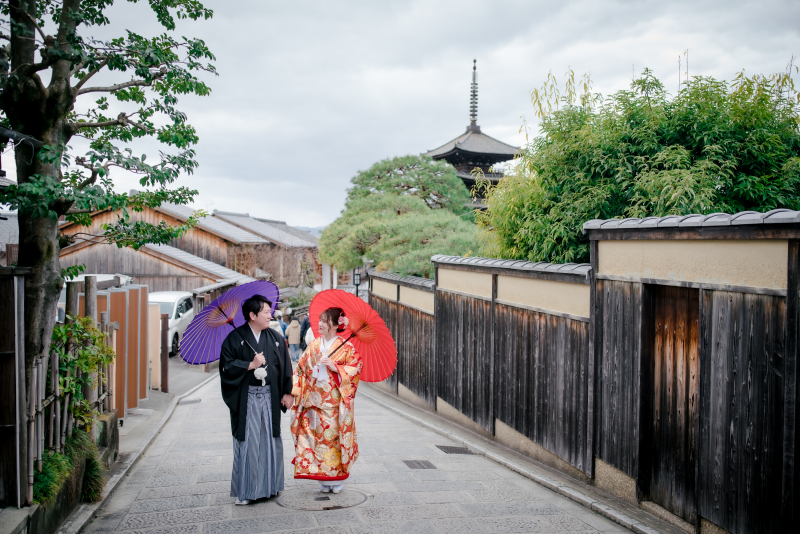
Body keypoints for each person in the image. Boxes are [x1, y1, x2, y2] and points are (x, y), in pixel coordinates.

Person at [219, 295, 293, 505]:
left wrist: (287, 392)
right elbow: (227, 367)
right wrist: (250, 365)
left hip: (270, 397)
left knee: (270, 440)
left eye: (270, 312)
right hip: (247, 398)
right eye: (266, 312)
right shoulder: (234, 338)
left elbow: (286, 366)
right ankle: (247, 491)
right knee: (249, 443)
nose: (270, 315)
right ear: (252, 315)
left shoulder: (276, 338)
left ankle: (270, 487)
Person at [290, 307, 363, 493]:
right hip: (312, 404)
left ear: (336, 324)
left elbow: (355, 369)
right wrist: (295, 390)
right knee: (316, 442)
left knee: (332, 442)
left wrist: (336, 368)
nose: (320, 324)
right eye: (320, 320)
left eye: (324, 320)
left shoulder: (347, 347)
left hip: (333, 405)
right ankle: (322, 477)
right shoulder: (314, 345)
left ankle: (337, 478)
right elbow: (300, 369)